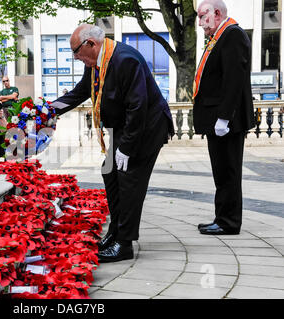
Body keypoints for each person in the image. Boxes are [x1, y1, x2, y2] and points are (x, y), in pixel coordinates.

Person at [50, 24, 174, 263]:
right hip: (124, 127)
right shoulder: (97, 61)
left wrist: (126, 148)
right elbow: (80, 92)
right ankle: (115, 232)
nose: (76, 58)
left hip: (145, 128)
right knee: (110, 172)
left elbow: (138, 106)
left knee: (128, 179)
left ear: (90, 44)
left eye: (76, 52)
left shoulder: (125, 60)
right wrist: (47, 111)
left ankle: (124, 244)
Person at [194, 0, 255, 235]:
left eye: (202, 17)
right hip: (220, 120)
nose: (200, 23)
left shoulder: (232, 35)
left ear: (217, 13)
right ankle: (222, 217)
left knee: (228, 172)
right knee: (221, 172)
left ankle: (229, 222)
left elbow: (234, 80)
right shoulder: (221, 36)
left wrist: (224, 117)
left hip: (228, 121)